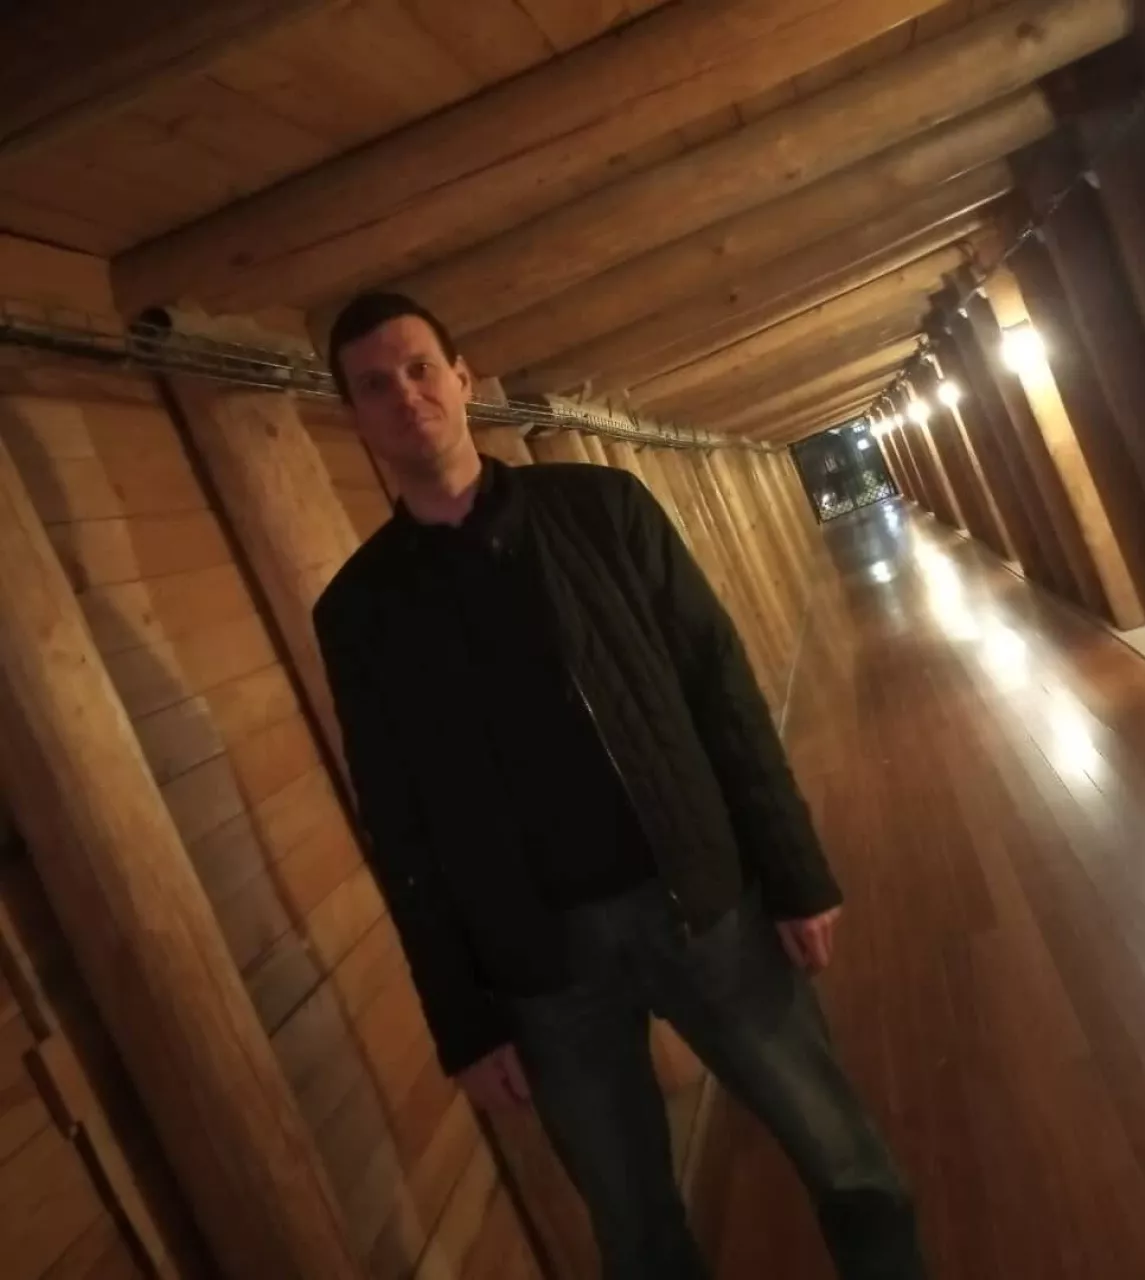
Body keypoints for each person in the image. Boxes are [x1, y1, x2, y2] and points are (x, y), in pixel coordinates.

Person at [313, 291, 925, 1279]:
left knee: (844, 1159)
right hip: (542, 968)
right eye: (375, 385)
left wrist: (795, 872)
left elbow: (719, 691)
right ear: (354, 416)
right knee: (634, 1236)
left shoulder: (602, 510)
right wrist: (462, 1021)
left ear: (463, 379)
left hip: (701, 903)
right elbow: (400, 824)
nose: (406, 395)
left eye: (421, 368)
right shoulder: (358, 611)